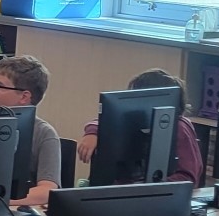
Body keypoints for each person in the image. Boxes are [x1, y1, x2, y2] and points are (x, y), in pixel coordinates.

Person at [76, 68, 204, 186]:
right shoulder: (136, 120)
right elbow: (111, 120)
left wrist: (148, 187)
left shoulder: (180, 128)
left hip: (160, 197)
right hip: (123, 194)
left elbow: (188, 178)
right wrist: (93, 132)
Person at [0, 55, 61, 208]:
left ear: (24, 96)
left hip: (14, 208)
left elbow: (47, 189)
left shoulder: (44, 133)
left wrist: (1, 200)